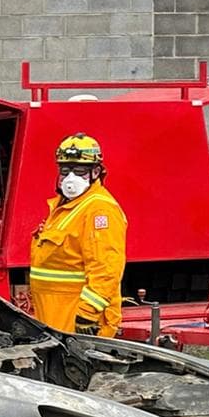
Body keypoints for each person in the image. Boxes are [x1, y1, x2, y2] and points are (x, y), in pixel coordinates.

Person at [29, 132, 127, 336]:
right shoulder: (65, 207)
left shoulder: (99, 210)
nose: (70, 178)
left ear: (96, 172)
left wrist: (87, 314)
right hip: (55, 315)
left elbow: (106, 268)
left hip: (77, 319)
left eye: (80, 170)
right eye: (65, 170)